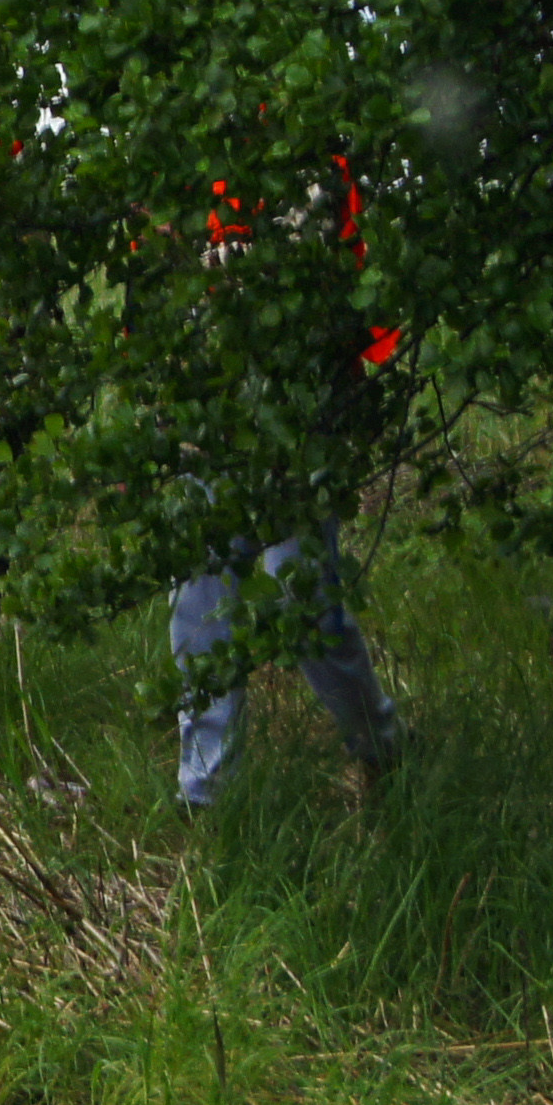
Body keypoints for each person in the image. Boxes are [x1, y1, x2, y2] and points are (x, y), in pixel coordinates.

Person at [169, 158, 403, 807]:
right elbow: (152, 290)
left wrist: (346, 402)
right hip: (209, 410)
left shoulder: (318, 158)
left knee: (304, 597)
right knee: (199, 596)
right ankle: (205, 792)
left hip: (302, 413)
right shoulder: (180, 155)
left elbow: (364, 288)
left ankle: (379, 748)